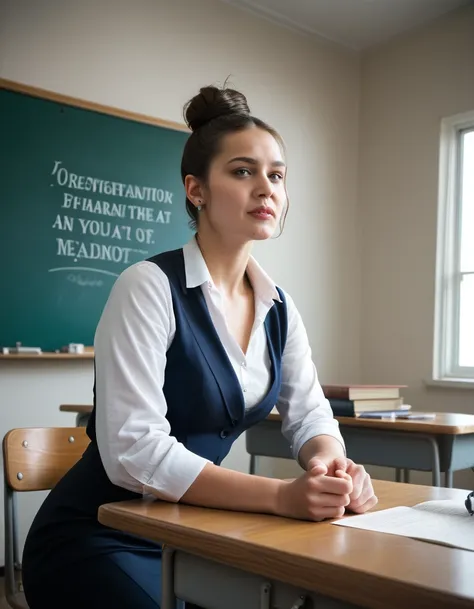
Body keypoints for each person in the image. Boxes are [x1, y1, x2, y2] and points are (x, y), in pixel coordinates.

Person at [22, 84, 378, 609]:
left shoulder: (279, 307)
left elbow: (309, 416)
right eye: (242, 171)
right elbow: (134, 452)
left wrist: (332, 468)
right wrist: (281, 496)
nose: (266, 188)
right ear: (196, 190)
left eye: (276, 175)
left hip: (192, 534)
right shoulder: (147, 286)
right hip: (96, 536)